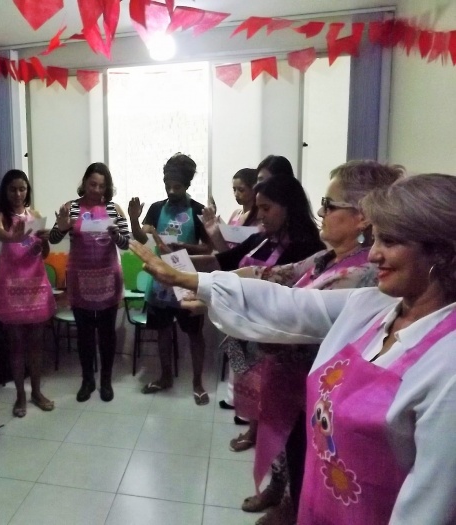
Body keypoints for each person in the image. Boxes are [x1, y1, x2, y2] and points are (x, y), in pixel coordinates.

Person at [131, 173, 456, 525]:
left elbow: (430, 505)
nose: (374, 255)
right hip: (323, 500)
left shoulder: (447, 362)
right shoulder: (374, 305)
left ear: (441, 252)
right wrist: (191, 280)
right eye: (376, 239)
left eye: (389, 242)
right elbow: (290, 302)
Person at [234, 161, 402, 525]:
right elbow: (270, 275)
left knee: (307, 466)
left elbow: (291, 310)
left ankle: (291, 507)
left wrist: (208, 290)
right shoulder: (328, 257)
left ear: (361, 217)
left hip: (318, 392)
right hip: (293, 383)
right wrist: (210, 281)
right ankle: (283, 498)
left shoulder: (362, 273)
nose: (321, 212)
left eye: (329, 204)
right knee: (291, 452)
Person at [197, 174, 325, 452]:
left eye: (266, 208)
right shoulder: (262, 238)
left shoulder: (308, 247)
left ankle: (268, 437)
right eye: (259, 208)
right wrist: (180, 265)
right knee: (251, 386)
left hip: (277, 334)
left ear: (288, 207)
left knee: (272, 392)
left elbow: (286, 290)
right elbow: (226, 261)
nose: (261, 215)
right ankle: (255, 429)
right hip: (246, 326)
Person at [128, 153, 213, 404]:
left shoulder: (197, 210)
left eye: (177, 186)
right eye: (168, 185)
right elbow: (142, 238)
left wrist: (183, 246)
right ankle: (165, 377)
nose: (171, 190)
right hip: (160, 281)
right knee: (163, 331)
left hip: (186, 280)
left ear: (187, 185)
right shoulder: (156, 208)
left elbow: (208, 248)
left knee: (194, 334)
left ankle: (197, 382)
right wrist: (133, 219)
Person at [50, 162, 130, 402]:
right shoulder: (71, 208)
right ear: (84, 183)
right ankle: (87, 380)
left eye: (101, 186)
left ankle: (106, 381)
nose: (96, 189)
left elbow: (126, 243)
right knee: (84, 333)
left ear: (107, 188)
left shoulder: (114, 209)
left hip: (108, 278)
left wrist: (116, 235)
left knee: (107, 333)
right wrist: (62, 227)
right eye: (92, 184)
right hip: (79, 278)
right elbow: (53, 239)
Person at [0, 169, 56, 417]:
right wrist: (14, 236)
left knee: (37, 345)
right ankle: (20, 395)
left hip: (36, 285)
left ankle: (36, 392)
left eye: (22, 189)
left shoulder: (35, 215)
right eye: (13, 189)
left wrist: (46, 239)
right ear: (5, 191)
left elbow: (44, 253)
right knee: (16, 346)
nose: (18, 194)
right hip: (12, 288)